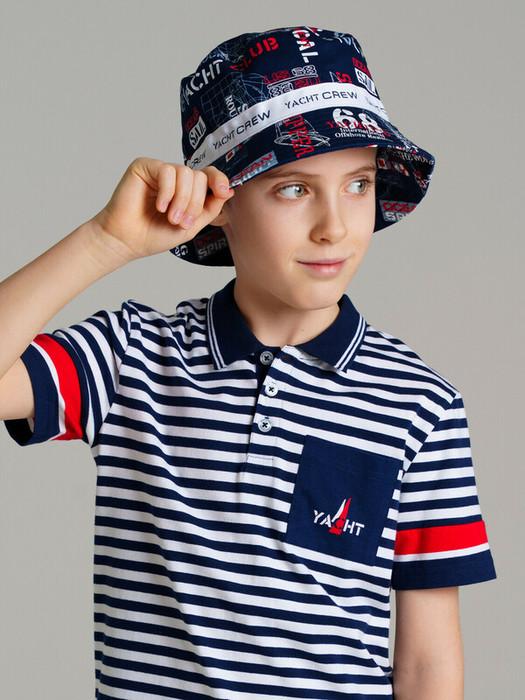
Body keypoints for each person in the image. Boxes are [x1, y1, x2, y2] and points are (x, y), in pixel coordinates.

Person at [0, 27, 496, 700]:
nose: (334, 225)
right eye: (293, 189)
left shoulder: (422, 405)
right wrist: (104, 241)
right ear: (220, 203)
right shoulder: (132, 357)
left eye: (358, 184)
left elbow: (428, 665)